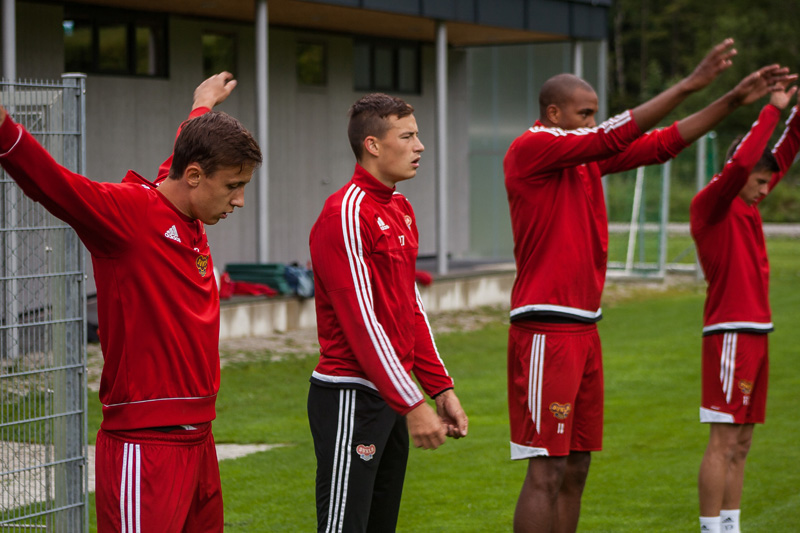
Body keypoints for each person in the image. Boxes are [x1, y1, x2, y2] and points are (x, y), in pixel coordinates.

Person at [502, 37, 789, 533]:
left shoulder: (584, 157)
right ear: (553, 113)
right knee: (546, 469)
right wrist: (691, 83)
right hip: (548, 326)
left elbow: (663, 144)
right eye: (584, 113)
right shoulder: (533, 147)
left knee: (577, 467)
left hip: (585, 328)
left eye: (595, 114)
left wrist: (731, 100)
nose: (592, 121)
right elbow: (615, 134)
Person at [0, 72, 261, 532]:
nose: (239, 200)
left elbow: (187, 147)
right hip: (146, 445)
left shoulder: (185, 202)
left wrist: (202, 103)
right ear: (195, 177)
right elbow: (53, 183)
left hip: (200, 439)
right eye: (233, 186)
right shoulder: (126, 216)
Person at [307, 93, 469, 532]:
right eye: (408, 136)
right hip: (351, 394)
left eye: (418, 135)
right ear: (373, 145)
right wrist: (413, 404)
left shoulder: (401, 208)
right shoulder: (344, 212)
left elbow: (409, 308)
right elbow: (361, 323)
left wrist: (440, 389)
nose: (420, 146)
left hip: (390, 395)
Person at [691, 79, 799, 533]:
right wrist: (771, 110)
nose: (764, 190)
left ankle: (730, 526)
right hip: (730, 333)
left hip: (756, 333)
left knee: (743, 442)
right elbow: (743, 163)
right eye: (759, 181)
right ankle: (710, 529)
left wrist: (796, 112)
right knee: (723, 440)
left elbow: (786, 150)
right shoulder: (713, 205)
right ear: (740, 175)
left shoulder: (748, 203)